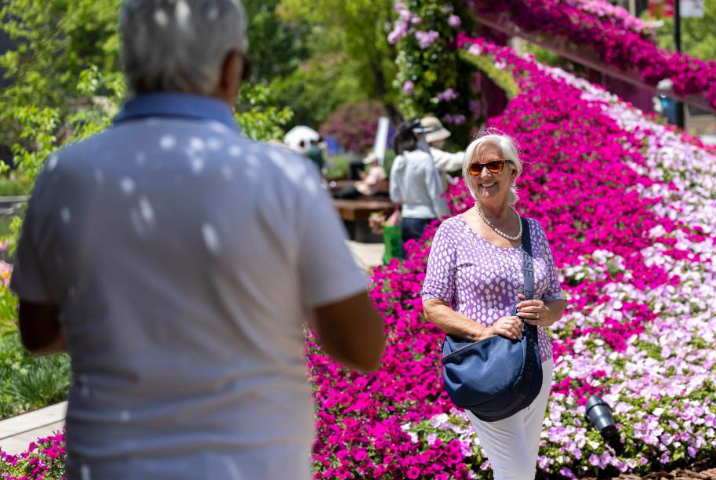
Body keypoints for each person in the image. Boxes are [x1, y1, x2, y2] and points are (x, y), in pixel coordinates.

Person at [10, 1, 385, 479]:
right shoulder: (279, 177)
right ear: (231, 68)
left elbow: (38, 334)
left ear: (129, 64)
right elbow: (361, 348)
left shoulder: (66, 174)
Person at [420, 133, 567, 480]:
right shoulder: (452, 232)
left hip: (537, 364)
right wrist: (486, 331)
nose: (484, 174)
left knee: (520, 470)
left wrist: (546, 314)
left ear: (513, 171)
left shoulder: (533, 230)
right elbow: (432, 305)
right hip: (486, 368)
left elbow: (557, 298)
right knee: (515, 472)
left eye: (494, 165)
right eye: (475, 167)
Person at [389, 120, 450, 246]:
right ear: (417, 135)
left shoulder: (399, 160)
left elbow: (395, 196)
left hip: (406, 219)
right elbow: (436, 193)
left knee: (408, 263)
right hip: (424, 219)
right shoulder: (425, 159)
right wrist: (446, 220)